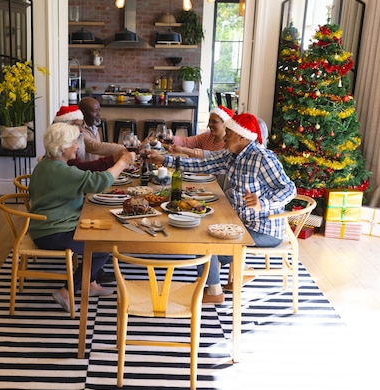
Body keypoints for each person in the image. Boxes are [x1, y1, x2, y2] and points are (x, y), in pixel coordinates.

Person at [146, 113, 296, 304]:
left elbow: (289, 189)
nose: (224, 137)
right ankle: (210, 278)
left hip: (262, 229)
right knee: (201, 229)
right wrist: (163, 159)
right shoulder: (232, 155)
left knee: (205, 239)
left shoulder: (262, 158)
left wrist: (262, 203)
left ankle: (214, 291)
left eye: (229, 133)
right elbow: (202, 164)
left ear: (242, 137)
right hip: (240, 223)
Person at [28, 123, 135, 313]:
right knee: (103, 247)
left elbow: (86, 178)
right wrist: (123, 163)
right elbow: (99, 182)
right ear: (62, 147)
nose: (78, 146)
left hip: (45, 226)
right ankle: (67, 292)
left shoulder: (46, 164)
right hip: (52, 232)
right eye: (74, 143)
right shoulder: (61, 171)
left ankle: (91, 282)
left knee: (100, 233)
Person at [53, 104, 131, 172]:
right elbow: (80, 168)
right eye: (77, 125)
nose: (81, 129)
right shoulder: (65, 147)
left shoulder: (90, 131)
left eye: (82, 125)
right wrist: (114, 159)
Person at [167, 105, 235, 159]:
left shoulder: (228, 144)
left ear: (225, 124)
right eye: (209, 121)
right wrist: (170, 138)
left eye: (214, 122)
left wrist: (183, 150)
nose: (209, 124)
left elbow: (210, 158)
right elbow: (186, 142)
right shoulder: (207, 136)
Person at [78, 96, 125, 162]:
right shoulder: (80, 130)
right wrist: (125, 149)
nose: (99, 114)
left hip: (93, 169)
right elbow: (96, 147)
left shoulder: (93, 128)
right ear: (83, 113)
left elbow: (97, 155)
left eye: (99, 110)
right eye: (95, 111)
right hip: (84, 171)